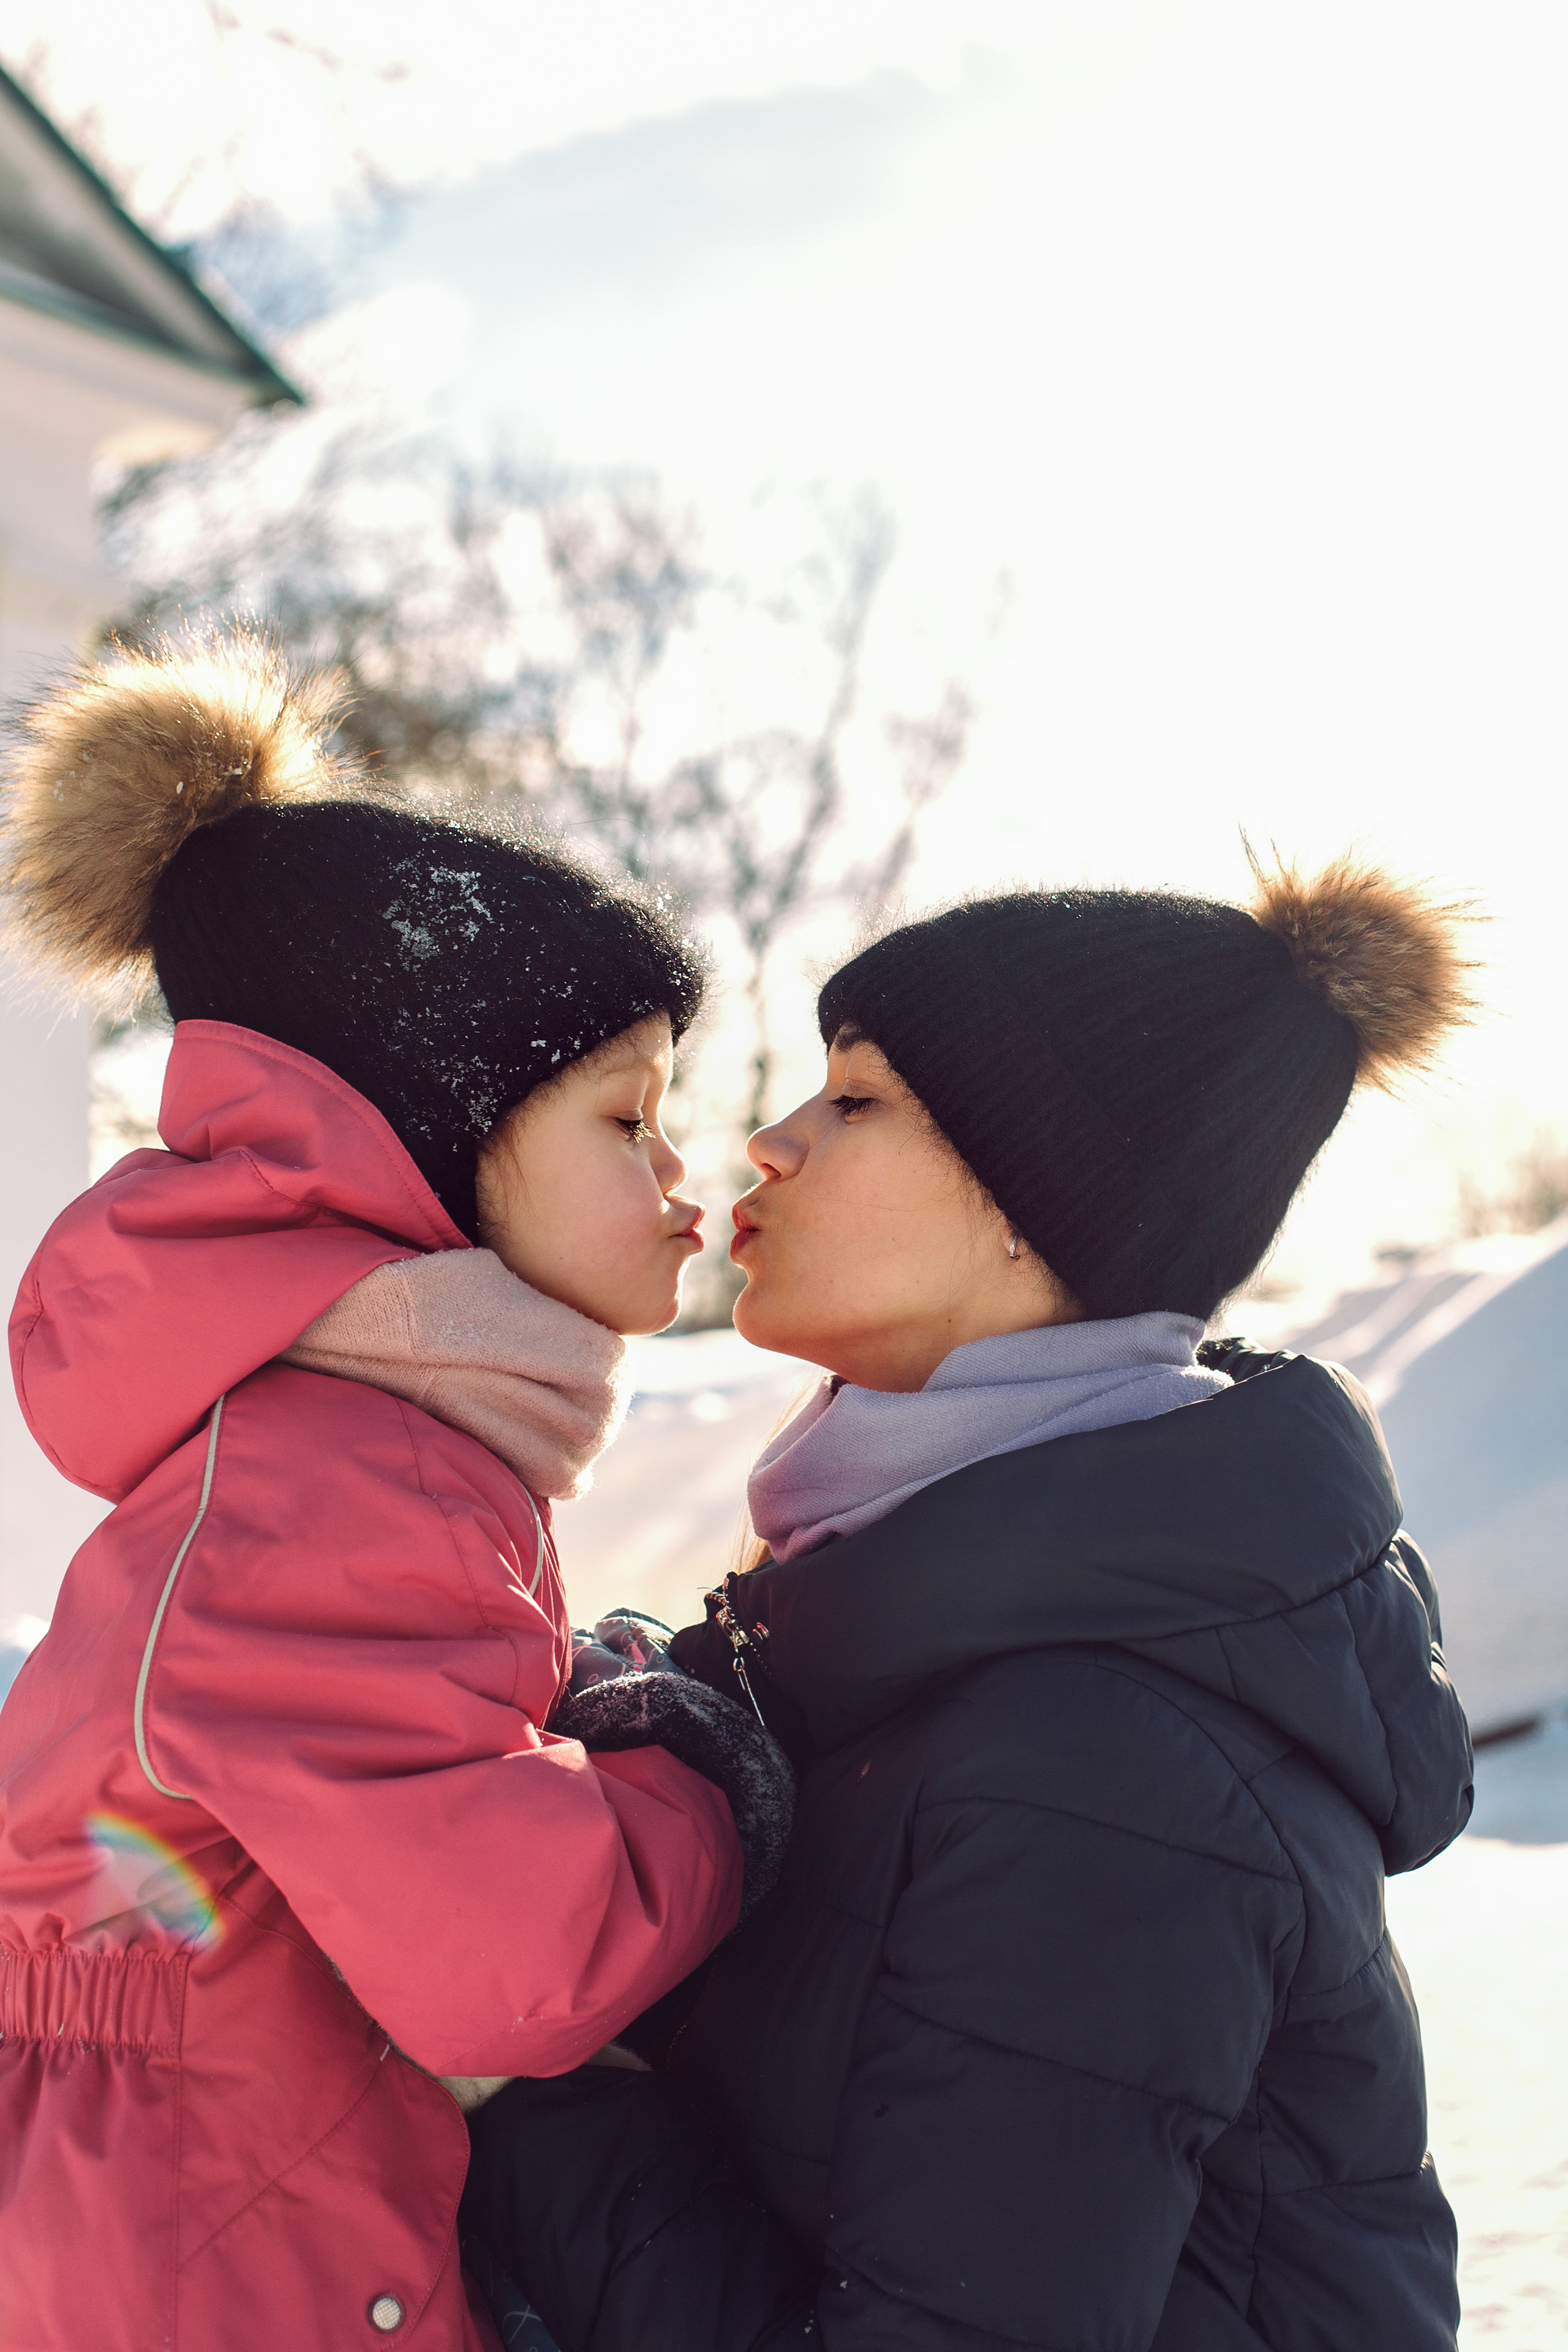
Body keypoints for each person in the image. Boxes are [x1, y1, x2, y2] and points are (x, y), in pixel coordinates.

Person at [464, 864, 1475, 2350]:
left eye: (856, 1101)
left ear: (1034, 1201)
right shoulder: (914, 1619)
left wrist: (514, 2105)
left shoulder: (1101, 1765)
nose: (769, 1140)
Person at [0, 641, 791, 2352]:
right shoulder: (344, 1475)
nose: (680, 1183)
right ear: (430, 1143)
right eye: (626, 1120)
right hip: (222, 2258)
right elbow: (508, 1960)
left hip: (190, 2200)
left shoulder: (345, 1436)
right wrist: (700, 1777)